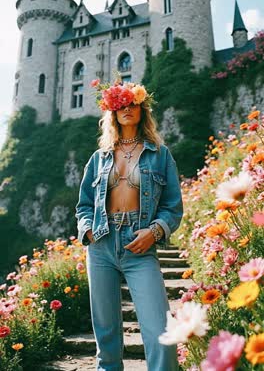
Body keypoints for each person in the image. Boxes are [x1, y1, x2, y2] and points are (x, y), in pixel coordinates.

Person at [75, 77, 183, 371]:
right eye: (121, 104)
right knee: (106, 329)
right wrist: (86, 228)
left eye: (133, 103)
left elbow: (173, 207)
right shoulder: (98, 158)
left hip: (140, 243)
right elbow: (84, 204)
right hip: (101, 243)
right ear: (112, 111)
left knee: (159, 327)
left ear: (142, 110)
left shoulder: (160, 155)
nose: (127, 108)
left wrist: (155, 231)